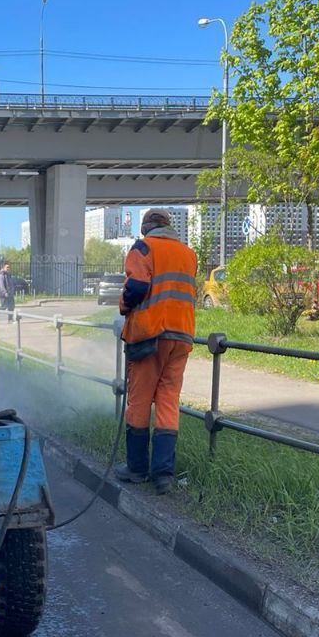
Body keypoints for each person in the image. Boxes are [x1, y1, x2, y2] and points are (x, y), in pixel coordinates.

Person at [114, 208, 198, 494]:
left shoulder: (143, 248)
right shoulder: (189, 254)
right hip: (182, 335)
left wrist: (124, 305)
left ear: (146, 228)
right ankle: (163, 475)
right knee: (168, 401)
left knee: (138, 401)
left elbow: (137, 286)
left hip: (151, 335)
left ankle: (137, 469)